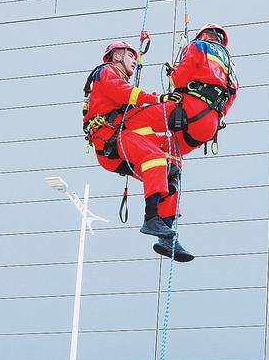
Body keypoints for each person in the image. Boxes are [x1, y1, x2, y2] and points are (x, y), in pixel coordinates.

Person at [82, 26, 238, 258]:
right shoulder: (106, 72)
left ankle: (166, 235)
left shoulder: (200, 50)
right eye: (130, 55)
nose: (134, 60)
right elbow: (125, 93)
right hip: (110, 136)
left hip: (120, 137)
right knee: (155, 155)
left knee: (171, 165)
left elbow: (135, 97)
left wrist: (160, 98)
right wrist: (160, 98)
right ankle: (151, 217)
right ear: (116, 56)